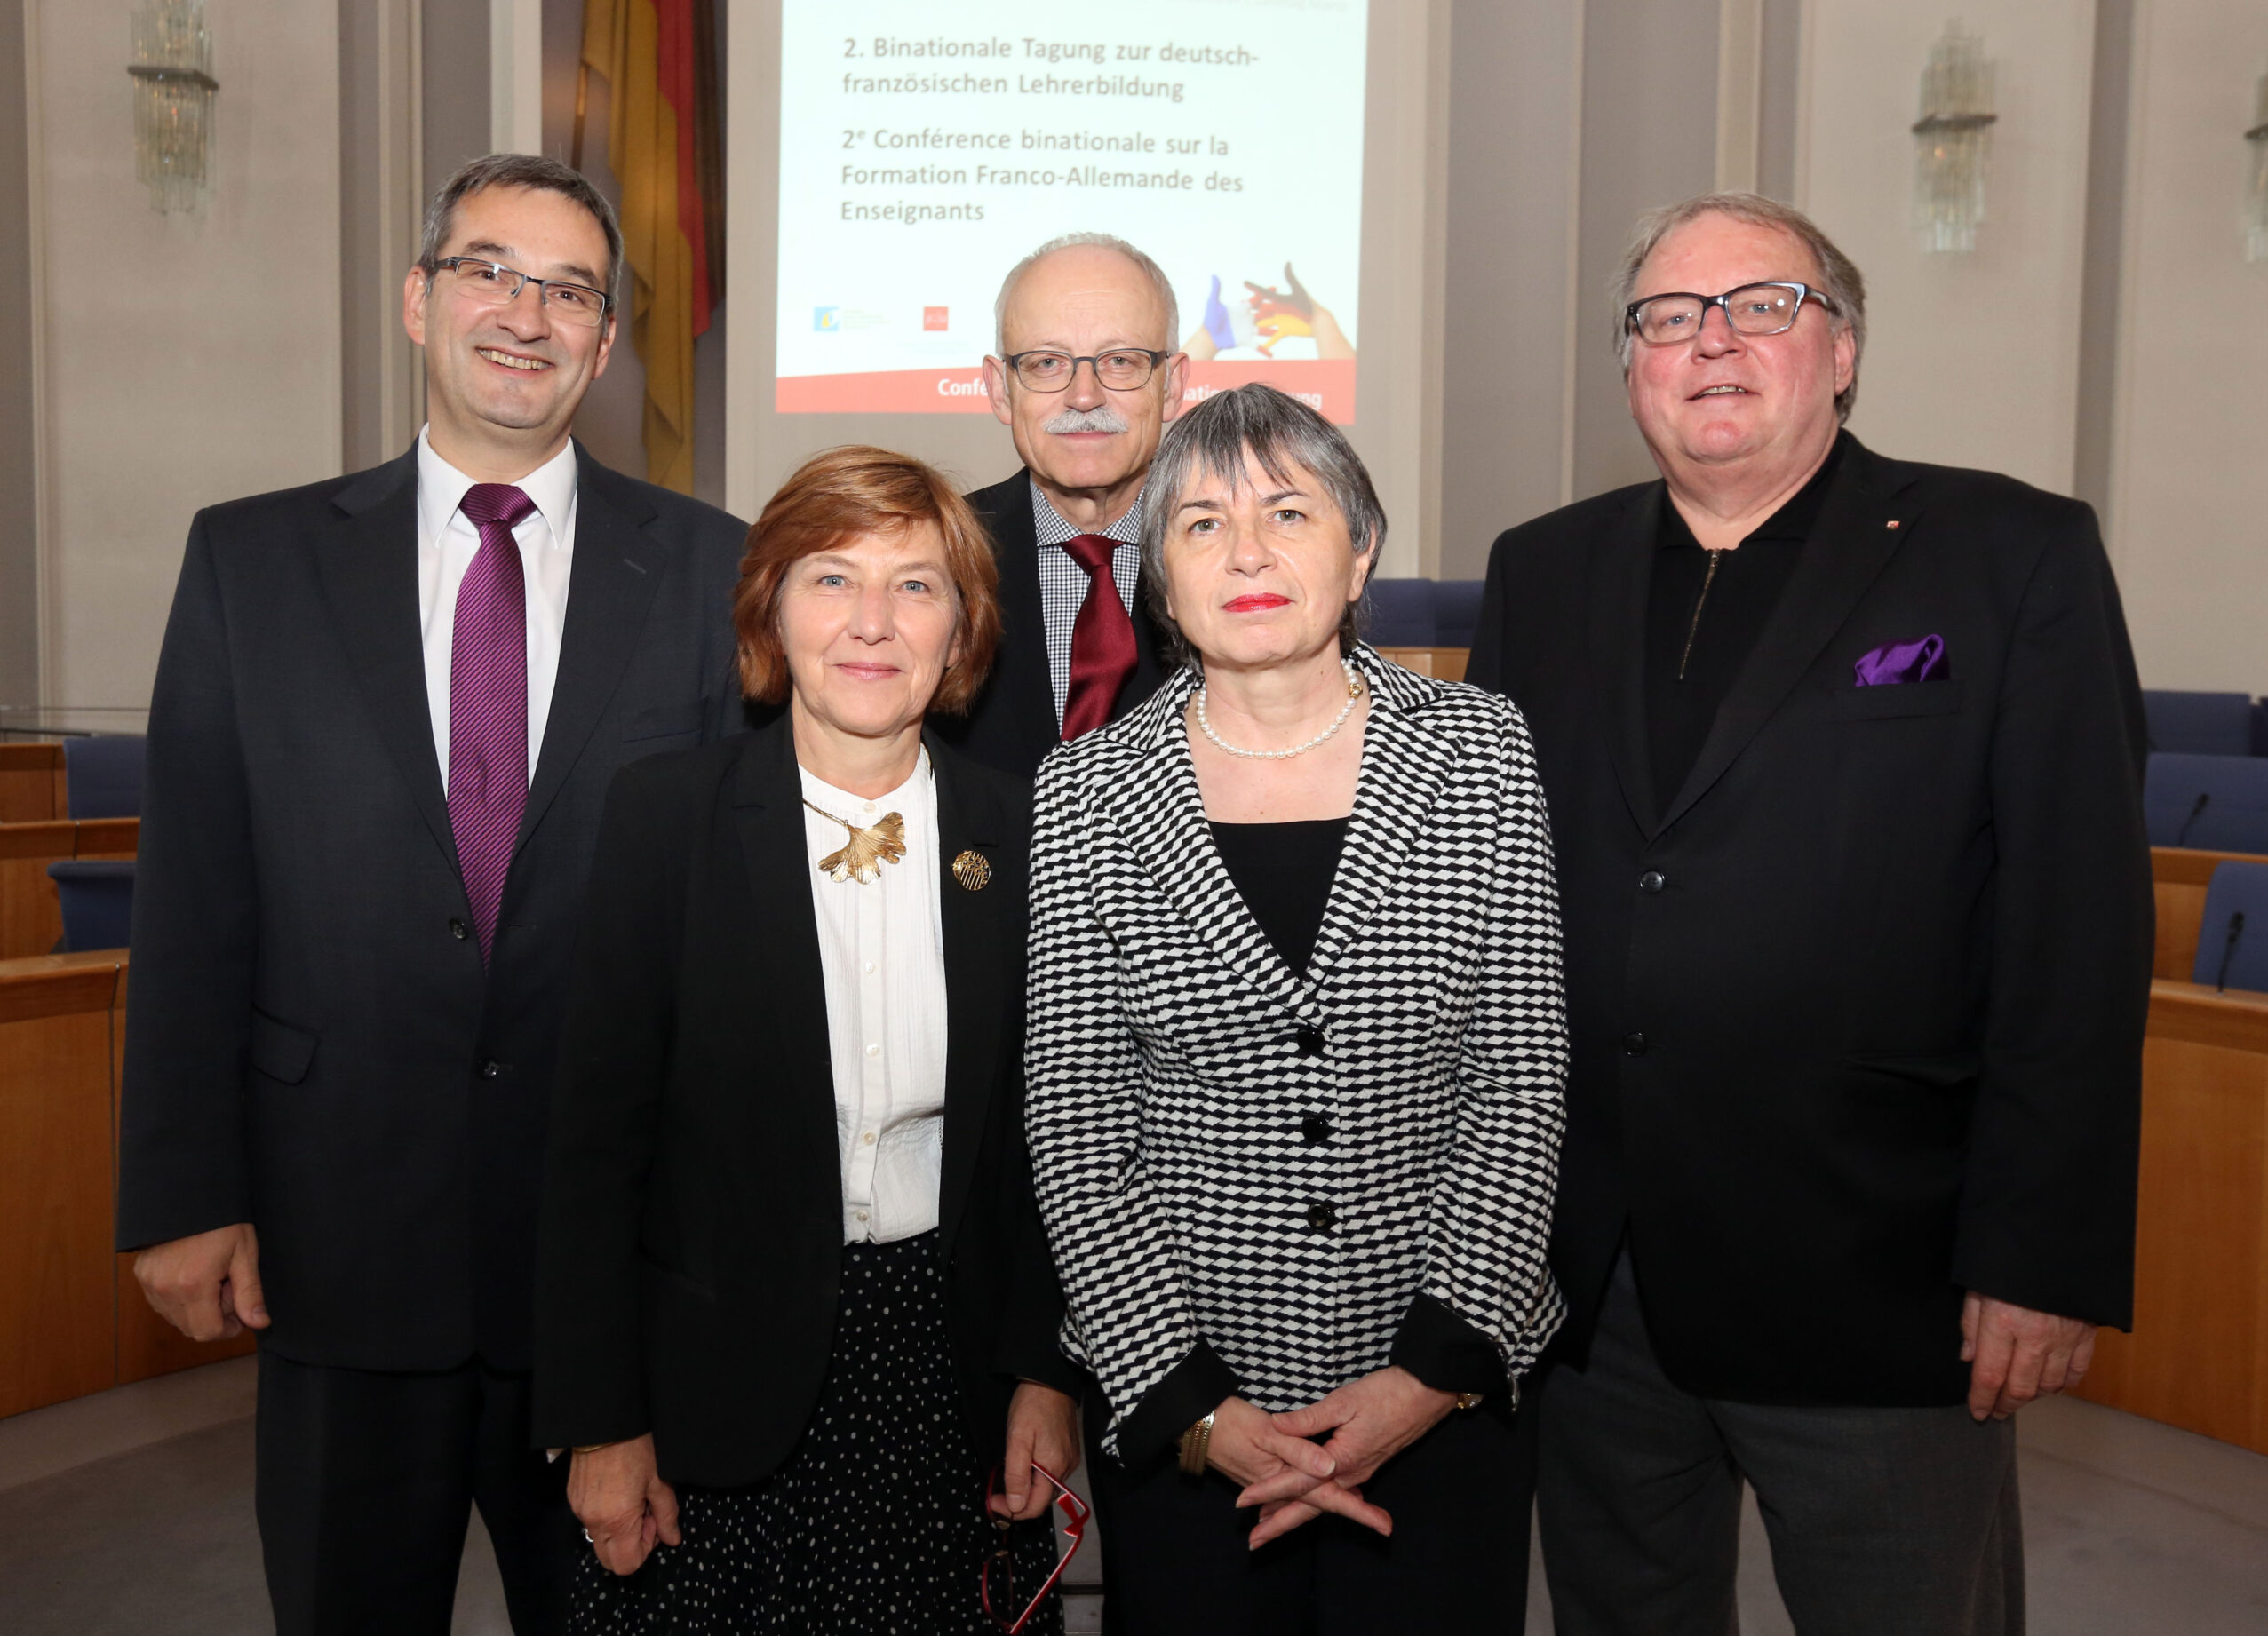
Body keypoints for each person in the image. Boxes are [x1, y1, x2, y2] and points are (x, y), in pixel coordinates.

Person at [1465, 192, 2153, 1636]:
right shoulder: (1545, 571)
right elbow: (1501, 906)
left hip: (1882, 1273)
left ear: (1840, 348)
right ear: (1632, 365)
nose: (1712, 341)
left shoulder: (2008, 555)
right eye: (1669, 317)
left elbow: (2074, 933)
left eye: (1760, 305)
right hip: (1597, 1283)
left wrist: (2040, 1252)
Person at [114, 155, 748, 1636]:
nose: (524, 313)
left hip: (608, 1276)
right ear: (418, 299)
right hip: (336, 1240)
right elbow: (194, 889)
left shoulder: (712, 573)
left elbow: (735, 942)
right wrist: (183, 1189)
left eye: (569, 289)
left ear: (604, 343)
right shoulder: (250, 560)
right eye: (487, 269)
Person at [1024, 382, 1569, 1632]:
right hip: (1189, 1408)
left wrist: (1427, 1374)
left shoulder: (1484, 750)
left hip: (1446, 1389)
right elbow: (1074, 1117)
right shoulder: (1085, 790)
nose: (1251, 551)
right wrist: (1196, 1407)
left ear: (1361, 546)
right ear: (1162, 574)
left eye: (1289, 511)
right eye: (1203, 524)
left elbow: (1521, 1082)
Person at [530, 446, 1086, 1634]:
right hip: (707, 1390)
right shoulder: (663, 819)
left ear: (964, 626)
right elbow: (591, 1152)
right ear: (771, 608)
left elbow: (1051, 1141)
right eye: (832, 578)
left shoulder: (1024, 829)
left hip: (949, 1380)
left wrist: (1044, 1373)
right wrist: (601, 1418)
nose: (873, 622)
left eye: (917, 585)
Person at [936, 233, 1187, 778]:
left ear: (1172, 387)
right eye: (1048, 364)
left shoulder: (1232, 561)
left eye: (1120, 361)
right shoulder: (937, 554)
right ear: (1001, 390)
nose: (1084, 395)